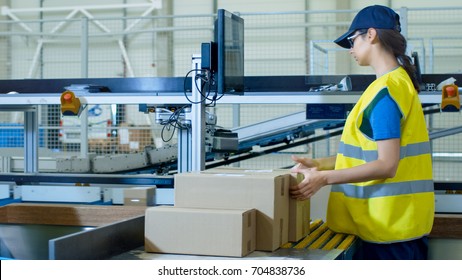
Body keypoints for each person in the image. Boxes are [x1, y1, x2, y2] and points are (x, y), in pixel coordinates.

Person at [290, 5, 434, 260]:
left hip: (389, 236)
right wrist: (319, 164)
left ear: (371, 35)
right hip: (393, 228)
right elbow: (370, 155)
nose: (351, 49)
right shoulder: (394, 85)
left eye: (352, 40)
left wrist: (323, 179)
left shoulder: (386, 93)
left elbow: (386, 165)